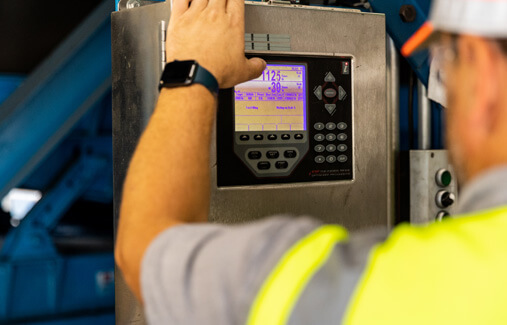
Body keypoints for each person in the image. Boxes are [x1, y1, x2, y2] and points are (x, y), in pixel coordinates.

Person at [115, 0, 507, 323]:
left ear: (483, 75)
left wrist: (191, 69)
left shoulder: (373, 290)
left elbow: (144, 252)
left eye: (449, 62)